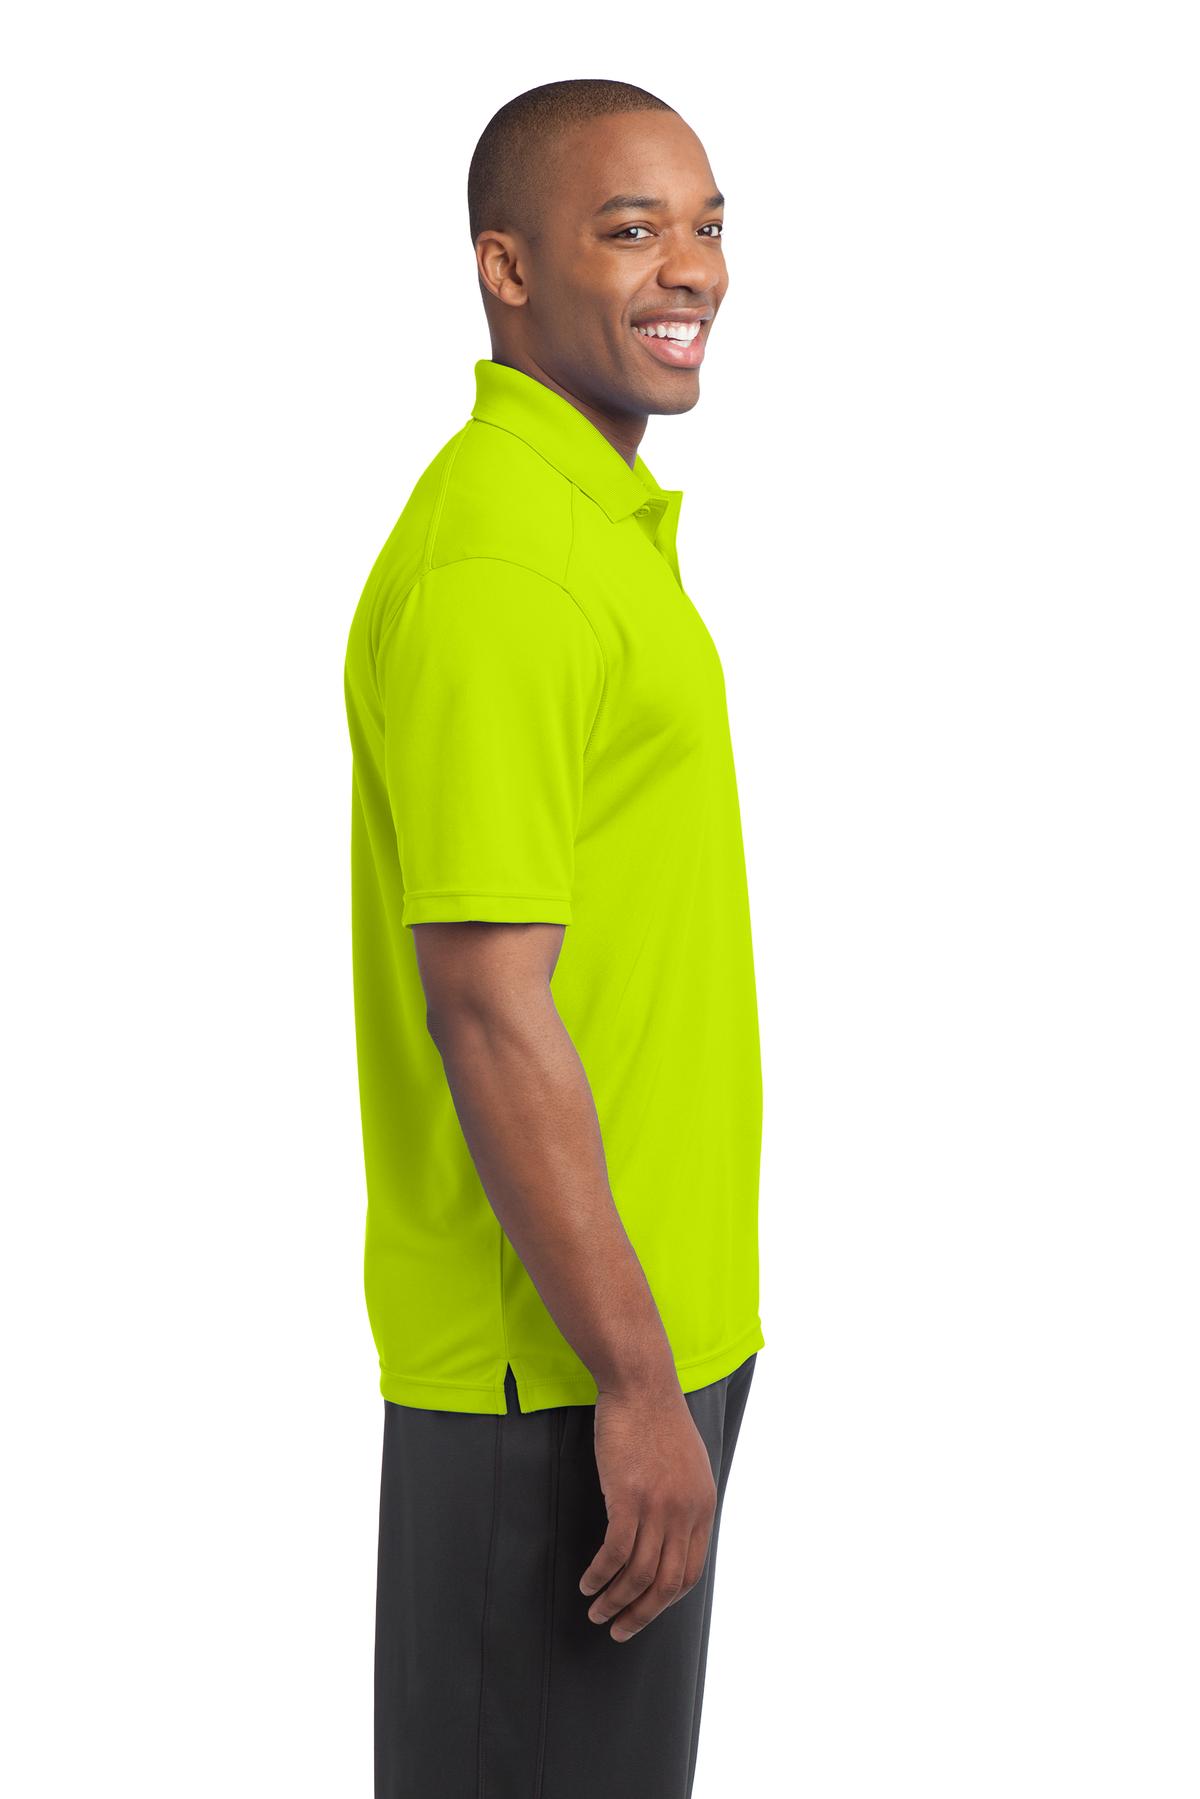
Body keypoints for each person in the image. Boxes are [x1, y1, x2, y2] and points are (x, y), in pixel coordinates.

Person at [343, 76, 765, 1799]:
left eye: (709, 224)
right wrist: (636, 1385)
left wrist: (676, 1369)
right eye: (632, 228)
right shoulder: (505, 563)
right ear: (505, 268)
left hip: (644, 1343)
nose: (694, 268)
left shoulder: (591, 528)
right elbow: (486, 1005)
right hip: (564, 1380)